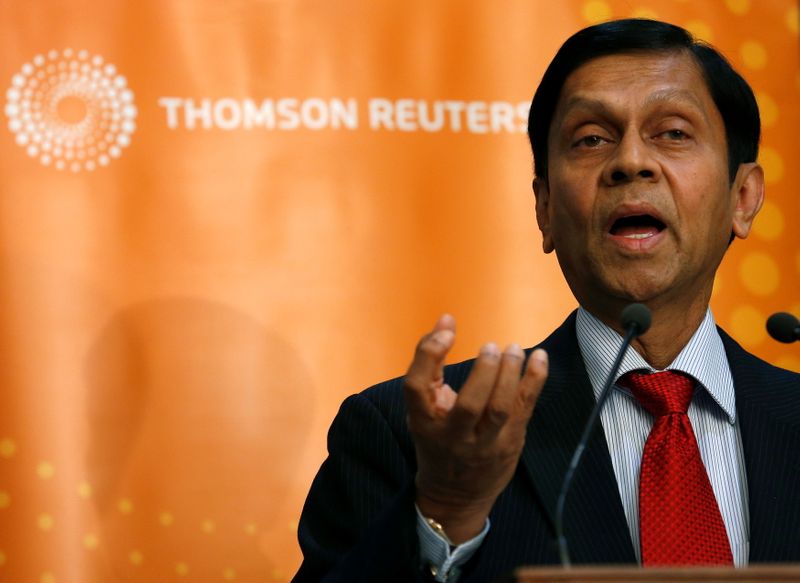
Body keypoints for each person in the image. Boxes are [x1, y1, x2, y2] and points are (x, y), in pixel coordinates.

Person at [292, 18, 800, 583]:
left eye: (673, 133)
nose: (631, 161)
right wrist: (446, 510)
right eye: (591, 139)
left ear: (744, 197)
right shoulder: (415, 436)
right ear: (545, 206)